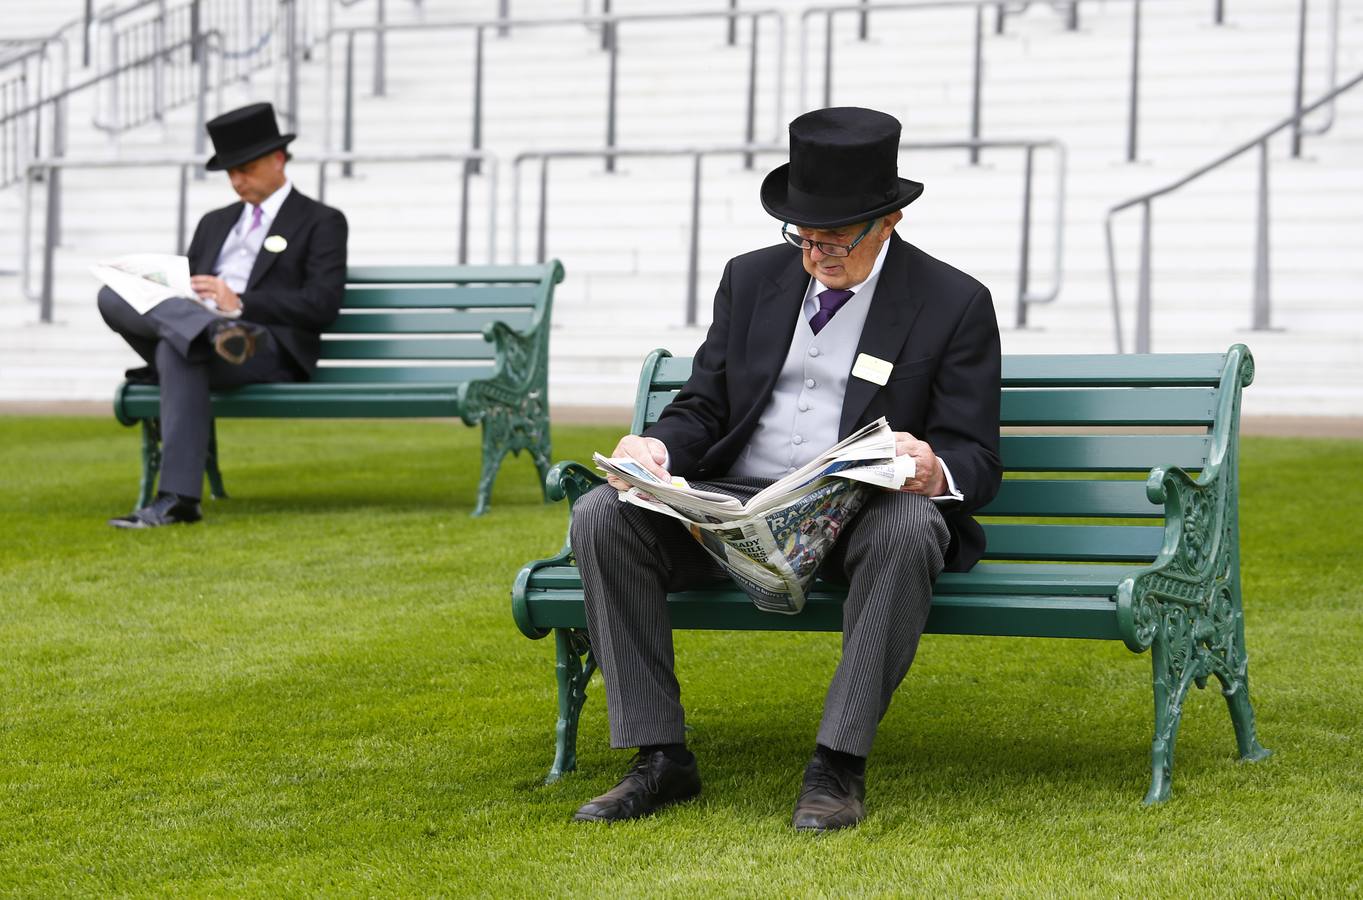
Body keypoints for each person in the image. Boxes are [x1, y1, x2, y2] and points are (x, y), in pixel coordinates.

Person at [569, 107, 1002, 831]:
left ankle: (837, 765)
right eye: (804, 238)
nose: (816, 256)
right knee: (603, 515)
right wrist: (657, 450)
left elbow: (977, 459)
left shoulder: (953, 302)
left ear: (889, 220)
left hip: (862, 511)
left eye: (835, 241)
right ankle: (658, 758)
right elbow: (704, 406)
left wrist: (932, 469)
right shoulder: (749, 279)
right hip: (738, 502)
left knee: (910, 529)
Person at [99, 102, 348, 529]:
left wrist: (242, 304)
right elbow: (186, 281)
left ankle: (177, 500)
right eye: (230, 172)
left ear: (277, 159)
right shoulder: (214, 222)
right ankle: (210, 332)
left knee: (179, 350)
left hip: (265, 343)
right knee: (112, 294)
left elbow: (321, 304)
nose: (236, 180)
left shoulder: (321, 221)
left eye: (245, 168)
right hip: (207, 330)